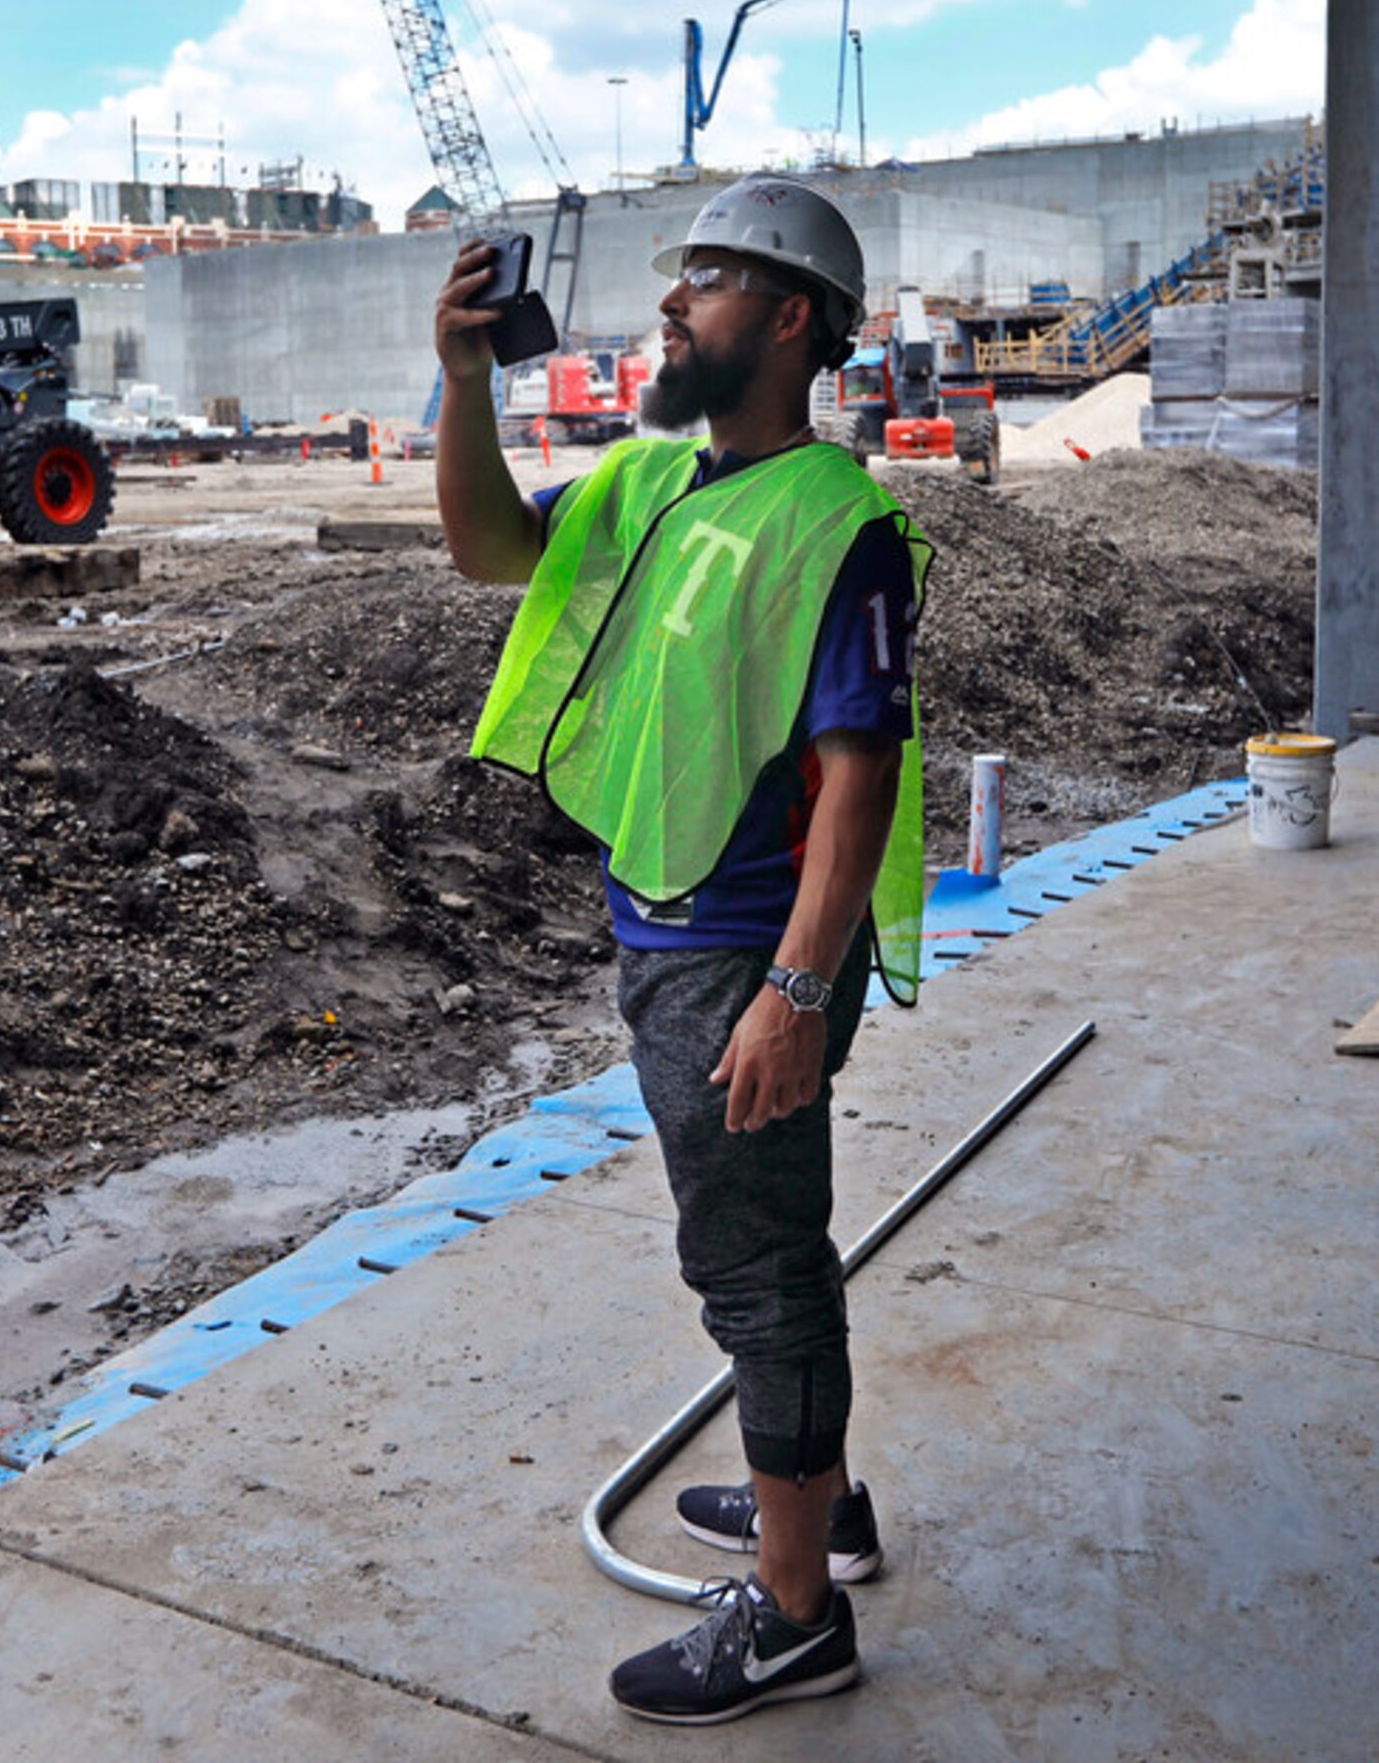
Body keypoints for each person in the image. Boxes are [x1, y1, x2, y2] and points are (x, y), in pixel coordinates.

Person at [432, 175, 932, 1726]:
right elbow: (490, 549)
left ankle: (794, 1620)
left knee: (757, 1269)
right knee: (770, 1250)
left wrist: (792, 990)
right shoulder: (652, 486)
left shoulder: (838, 523)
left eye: (706, 279)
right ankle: (821, 1507)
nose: (670, 303)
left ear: (789, 318)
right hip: (675, 926)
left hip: (745, 953)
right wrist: (461, 383)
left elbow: (859, 771)